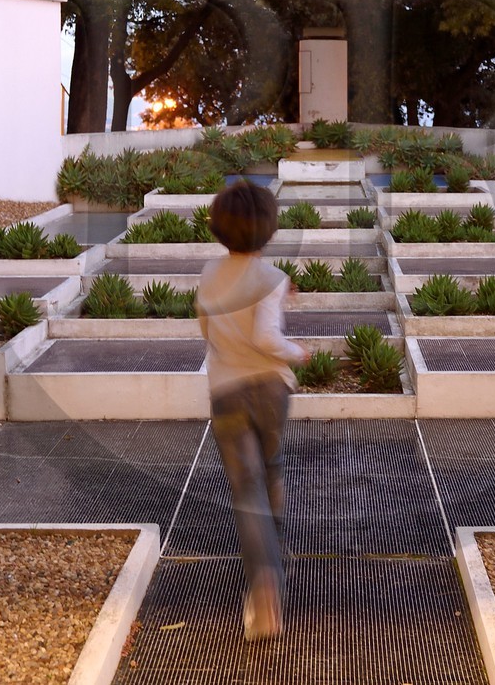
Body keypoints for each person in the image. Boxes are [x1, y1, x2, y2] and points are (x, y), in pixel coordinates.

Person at [197, 181, 305, 642]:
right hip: (269, 389)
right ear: (268, 229)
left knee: (246, 487)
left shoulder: (207, 273)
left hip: (226, 391)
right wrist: (297, 351)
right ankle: (274, 550)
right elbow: (266, 339)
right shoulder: (273, 279)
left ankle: (263, 582)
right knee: (272, 464)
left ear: (219, 228)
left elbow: (206, 325)